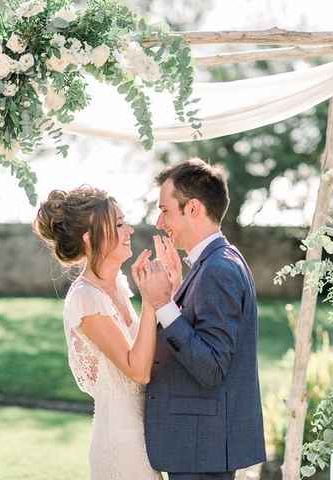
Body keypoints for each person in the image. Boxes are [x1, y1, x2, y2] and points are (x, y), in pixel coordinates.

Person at [138, 158, 267, 480]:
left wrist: (163, 304)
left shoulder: (218, 269)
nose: (158, 221)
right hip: (200, 446)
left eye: (165, 210)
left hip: (202, 448)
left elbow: (211, 366)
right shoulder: (214, 263)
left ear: (193, 208)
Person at [34, 185, 173, 480]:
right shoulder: (86, 298)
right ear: (89, 237)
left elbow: (150, 350)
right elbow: (138, 370)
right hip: (121, 442)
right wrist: (151, 302)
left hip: (145, 436)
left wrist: (169, 291)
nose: (130, 230)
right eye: (119, 224)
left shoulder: (118, 285)